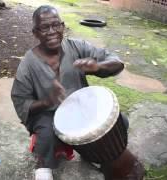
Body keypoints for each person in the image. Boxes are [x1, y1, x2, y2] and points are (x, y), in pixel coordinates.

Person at [11, 5, 141, 180]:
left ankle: (98, 156)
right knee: (48, 133)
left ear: (63, 26)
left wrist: (98, 67)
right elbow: (20, 101)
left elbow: (116, 62)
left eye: (56, 25)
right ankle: (43, 168)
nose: (51, 31)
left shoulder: (76, 47)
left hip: (81, 108)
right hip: (47, 114)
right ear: (35, 32)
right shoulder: (28, 64)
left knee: (119, 120)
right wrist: (47, 102)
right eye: (44, 27)